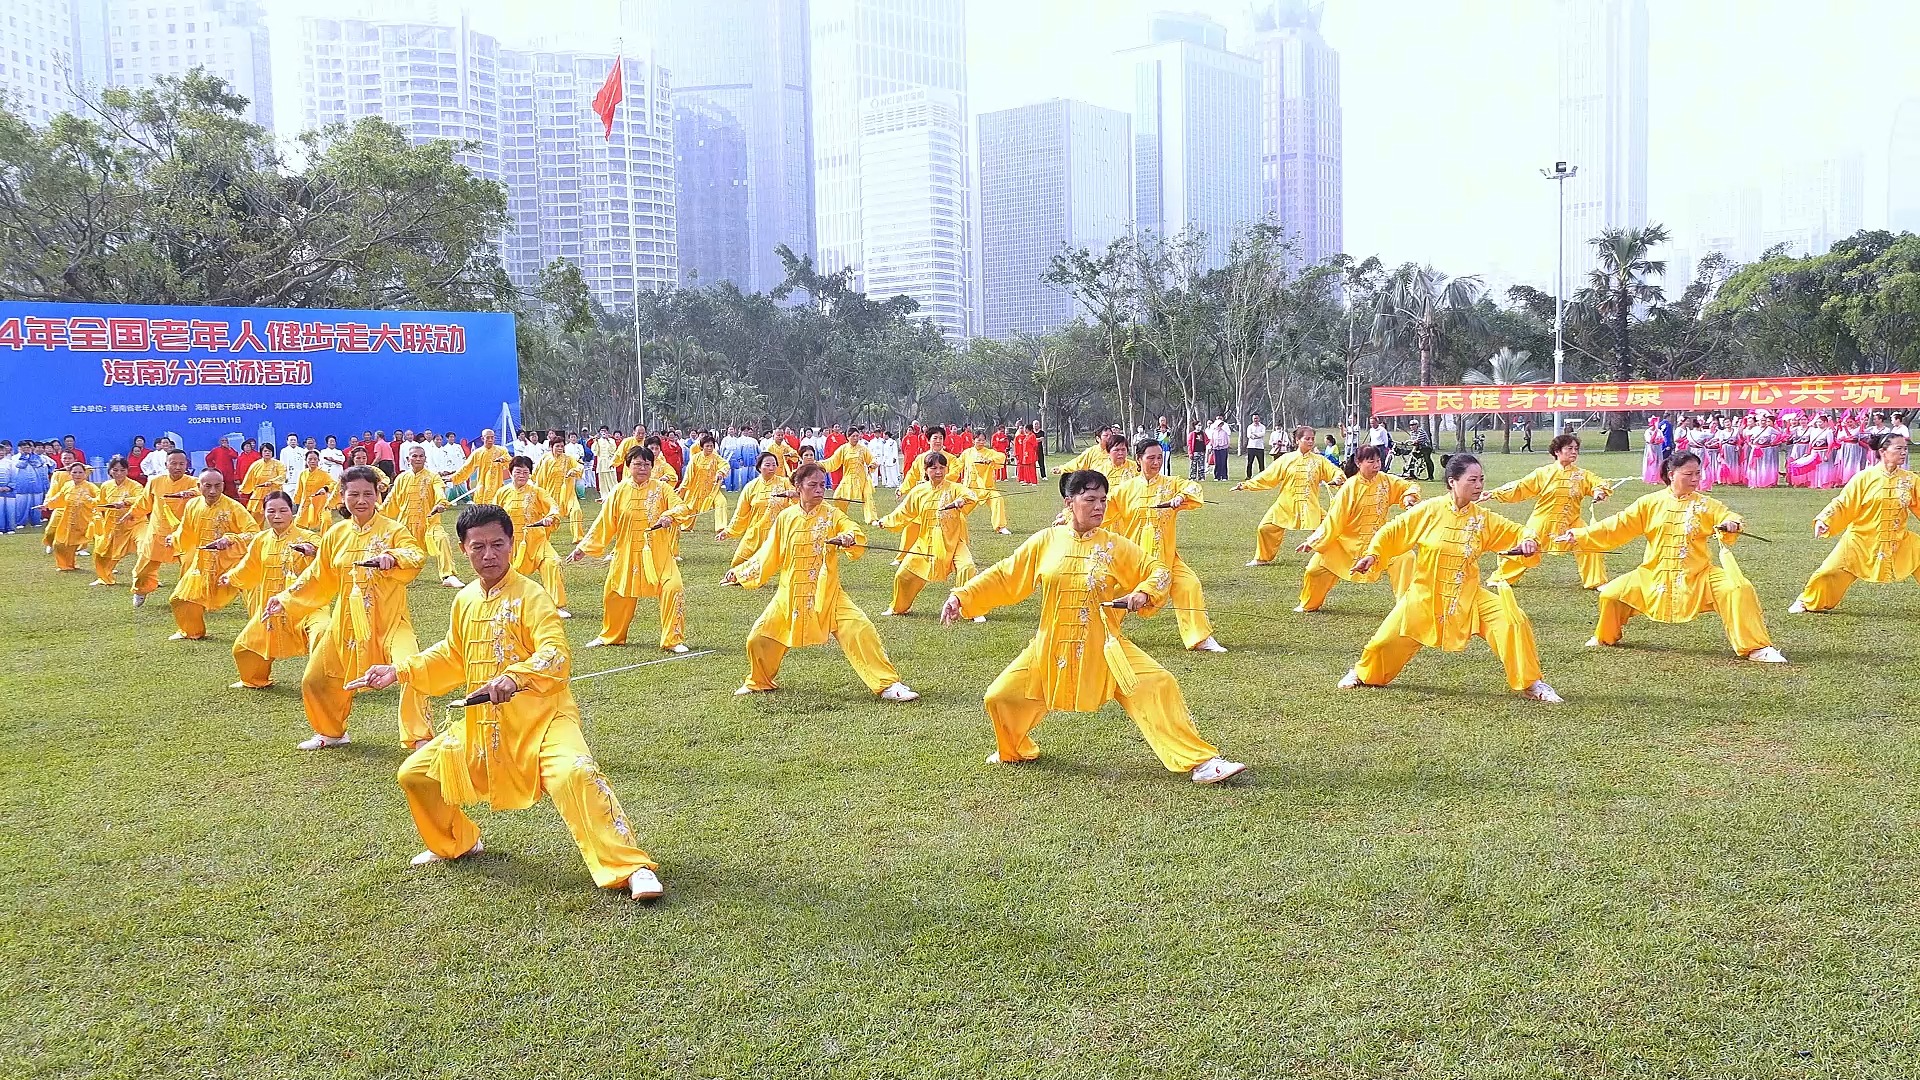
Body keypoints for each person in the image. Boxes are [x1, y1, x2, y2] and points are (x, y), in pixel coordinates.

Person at [345, 504, 664, 900]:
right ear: (463, 549)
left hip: (544, 719)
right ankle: (456, 842)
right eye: (478, 547)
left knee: (576, 772)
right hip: (482, 725)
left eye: (498, 544)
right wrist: (399, 671)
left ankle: (630, 867)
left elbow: (556, 653)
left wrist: (515, 676)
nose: (489, 555)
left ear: (512, 544)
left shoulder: (533, 595)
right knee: (415, 774)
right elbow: (453, 654)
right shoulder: (464, 599)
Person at [940, 469, 1247, 784]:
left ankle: (1202, 762)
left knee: (1157, 684)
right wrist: (961, 597)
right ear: (1069, 502)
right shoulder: (1047, 540)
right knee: (1000, 697)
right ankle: (1014, 750)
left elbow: (1156, 569)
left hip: (1105, 647)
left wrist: (1143, 592)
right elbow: (1005, 575)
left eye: (1103, 499)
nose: (1099, 506)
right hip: (1051, 646)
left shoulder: (1114, 545)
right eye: (1090, 499)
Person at [1339, 455, 1561, 701]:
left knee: (1512, 620)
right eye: (1473, 480)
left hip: (1468, 596)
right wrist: (1373, 555)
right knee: (1384, 642)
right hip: (1424, 596)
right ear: (1452, 481)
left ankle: (1532, 683)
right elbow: (1393, 531)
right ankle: (1362, 674)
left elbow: (1519, 532)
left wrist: (1529, 540)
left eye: (1482, 480)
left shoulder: (1482, 519)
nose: (1479, 485)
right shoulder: (1429, 510)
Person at [263, 465, 434, 750]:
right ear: (343, 496)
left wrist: (393, 557)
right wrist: (284, 598)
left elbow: (416, 554)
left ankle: (419, 737)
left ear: (378, 494)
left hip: (389, 620)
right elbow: (318, 575)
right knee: (315, 679)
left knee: (410, 667)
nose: (361, 500)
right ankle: (331, 732)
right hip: (345, 622)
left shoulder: (393, 530)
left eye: (367, 493)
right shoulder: (335, 534)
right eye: (353, 494)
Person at [721, 462, 920, 702]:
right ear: (798, 486)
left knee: (860, 628)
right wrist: (740, 573)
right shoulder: (786, 518)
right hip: (790, 593)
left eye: (822, 485)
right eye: (812, 485)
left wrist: (848, 537)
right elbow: (768, 554)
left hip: (828, 593)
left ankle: (889, 684)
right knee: (759, 637)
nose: (819, 490)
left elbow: (853, 530)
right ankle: (759, 681)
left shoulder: (831, 514)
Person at [1562, 451, 1785, 663]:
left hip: (1699, 575)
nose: (1695, 479)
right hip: (1653, 574)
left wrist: (1733, 523)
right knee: (1610, 594)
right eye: (1689, 474)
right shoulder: (1649, 503)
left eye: (1698, 473)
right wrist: (1579, 535)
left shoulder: (1705, 504)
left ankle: (1757, 648)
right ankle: (1605, 637)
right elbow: (1617, 525)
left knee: (1739, 589)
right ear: (1671, 474)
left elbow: (1729, 516)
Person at [1106, 439, 1225, 652]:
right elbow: (1097, 510)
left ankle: (1199, 638)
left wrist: (1181, 496)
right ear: (1138, 460)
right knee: (1112, 592)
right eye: (1150, 458)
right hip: (1134, 558)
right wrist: (1068, 517)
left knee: (1189, 584)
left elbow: (1193, 486)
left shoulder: (1171, 484)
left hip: (1166, 555)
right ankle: (1104, 635)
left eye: (1159, 457)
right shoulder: (1123, 491)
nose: (1156, 462)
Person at [570, 446, 692, 652]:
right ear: (628, 466)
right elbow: (604, 522)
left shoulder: (662, 489)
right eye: (637, 463)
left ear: (652, 467)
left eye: (646, 464)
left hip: (658, 554)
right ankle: (611, 636)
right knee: (615, 592)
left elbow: (683, 507)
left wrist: (669, 515)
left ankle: (673, 639)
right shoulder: (619, 490)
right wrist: (584, 547)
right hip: (626, 553)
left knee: (673, 588)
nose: (642, 468)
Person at [1790, 433, 1918, 614]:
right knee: (1828, 572)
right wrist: (1824, 519)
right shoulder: (1864, 477)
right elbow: (1843, 502)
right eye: (1899, 448)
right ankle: (1807, 601)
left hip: (1898, 539)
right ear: (1882, 451)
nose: (1904, 452)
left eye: (1905, 448)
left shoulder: (1910, 480)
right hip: (1860, 540)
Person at [1295, 444, 1420, 613]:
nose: (1376, 465)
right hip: (1347, 544)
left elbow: (1408, 486)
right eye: (1371, 461)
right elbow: (1334, 520)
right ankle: (1309, 604)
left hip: (1379, 542)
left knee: (1406, 557)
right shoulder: (1350, 487)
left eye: (1378, 461)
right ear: (1358, 462)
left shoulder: (1385, 480)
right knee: (1314, 570)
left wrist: (1408, 497)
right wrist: (1313, 541)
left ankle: (1406, 609)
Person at [1483, 434, 1615, 590]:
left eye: (1576, 449)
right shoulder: (1543, 473)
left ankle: (1597, 581)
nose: (1574, 452)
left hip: (1572, 521)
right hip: (1543, 520)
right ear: (1557, 451)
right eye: (1569, 448)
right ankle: (1501, 578)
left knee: (1588, 541)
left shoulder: (1582, 475)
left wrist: (1599, 491)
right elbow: (1520, 487)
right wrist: (1494, 493)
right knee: (1526, 546)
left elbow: (1598, 483)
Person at [223, 490, 321, 689]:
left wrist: (312, 551)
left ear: (291, 512)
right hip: (270, 606)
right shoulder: (261, 540)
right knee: (243, 648)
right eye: (271, 511)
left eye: (283, 510)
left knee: (323, 633)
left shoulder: (307, 536)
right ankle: (254, 679)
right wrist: (231, 576)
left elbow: (326, 555)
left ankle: (325, 682)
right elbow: (249, 566)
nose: (277, 516)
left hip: (306, 605)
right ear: (264, 513)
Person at [875, 451, 978, 616]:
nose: (938, 472)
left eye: (942, 467)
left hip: (953, 542)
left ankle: (969, 610)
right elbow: (903, 512)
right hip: (925, 542)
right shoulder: (918, 491)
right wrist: (885, 521)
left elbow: (972, 496)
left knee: (967, 567)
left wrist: (961, 501)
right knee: (903, 575)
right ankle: (898, 608)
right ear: (926, 470)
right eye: (933, 468)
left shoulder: (954, 488)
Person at [165, 468, 258, 641]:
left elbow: (253, 532)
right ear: (199, 486)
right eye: (208, 486)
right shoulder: (192, 505)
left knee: (257, 598)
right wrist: (174, 539)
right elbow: (185, 532)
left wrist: (231, 539)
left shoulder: (233, 507)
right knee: (180, 599)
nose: (213, 491)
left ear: (223, 485)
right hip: (203, 563)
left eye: (217, 486)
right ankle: (192, 631)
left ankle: (265, 633)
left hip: (233, 563)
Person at [1235, 425, 1345, 567]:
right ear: (1297, 440)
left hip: (1309, 503)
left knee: (1327, 528)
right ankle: (1262, 558)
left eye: (1312, 439)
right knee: (1265, 527)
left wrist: (1337, 479)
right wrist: (1245, 485)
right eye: (1307, 439)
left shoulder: (1319, 460)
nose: (1311, 442)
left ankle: (1334, 558)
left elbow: (1335, 471)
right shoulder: (1286, 459)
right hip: (1285, 503)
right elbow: (1268, 476)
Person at [491, 456, 569, 618]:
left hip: (537, 541)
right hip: (511, 544)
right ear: (510, 472)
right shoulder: (502, 493)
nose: (521, 475)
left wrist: (551, 517)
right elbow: (493, 515)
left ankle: (556, 606)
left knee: (552, 563)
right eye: (518, 471)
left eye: (525, 472)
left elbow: (553, 507)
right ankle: (504, 604)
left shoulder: (537, 492)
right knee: (506, 574)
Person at [120, 447, 198, 608]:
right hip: (158, 532)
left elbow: (204, 491)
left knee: (191, 565)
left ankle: (187, 596)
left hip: (184, 533)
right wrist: (132, 513)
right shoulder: (155, 482)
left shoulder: (193, 482)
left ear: (186, 465)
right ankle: (140, 590)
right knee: (143, 569)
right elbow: (144, 502)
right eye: (174, 463)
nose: (177, 467)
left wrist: (191, 493)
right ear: (166, 464)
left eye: (181, 464)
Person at [385, 444, 462, 588]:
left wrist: (441, 503)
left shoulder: (433, 477)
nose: (418, 459)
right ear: (408, 459)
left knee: (442, 538)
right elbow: (391, 501)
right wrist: (378, 513)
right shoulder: (401, 478)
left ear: (425, 458)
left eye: (421, 456)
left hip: (429, 524)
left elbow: (439, 491)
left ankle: (448, 575)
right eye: (414, 456)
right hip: (406, 526)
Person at [720, 451, 796, 569]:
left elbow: (796, 506)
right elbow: (740, 513)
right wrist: (728, 531)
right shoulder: (750, 487)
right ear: (759, 467)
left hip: (779, 531)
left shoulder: (785, 483)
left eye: (774, 464)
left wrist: (794, 495)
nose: (771, 468)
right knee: (737, 563)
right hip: (756, 531)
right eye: (767, 465)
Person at [86, 457, 144, 585]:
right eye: (115, 470)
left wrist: (125, 502)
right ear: (110, 471)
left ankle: (147, 578)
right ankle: (104, 578)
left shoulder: (135, 485)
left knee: (145, 547)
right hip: (112, 525)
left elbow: (141, 499)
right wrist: (90, 504)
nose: (118, 473)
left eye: (122, 470)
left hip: (134, 524)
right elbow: (101, 503)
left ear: (127, 471)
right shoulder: (106, 486)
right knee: (102, 553)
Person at [39, 461, 98, 572]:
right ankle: (66, 565)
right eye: (74, 472)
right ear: (70, 474)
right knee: (60, 543)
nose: (77, 475)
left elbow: (101, 498)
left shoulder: (91, 487)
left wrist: (91, 501)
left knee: (101, 543)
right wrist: (46, 505)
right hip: (68, 519)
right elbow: (58, 498)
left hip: (86, 519)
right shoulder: (67, 485)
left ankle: (107, 566)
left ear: (85, 474)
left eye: (80, 472)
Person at [533, 433, 585, 543]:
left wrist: (574, 471)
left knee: (576, 511)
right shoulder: (546, 459)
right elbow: (537, 474)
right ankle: (543, 540)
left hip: (568, 494)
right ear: (551, 447)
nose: (560, 448)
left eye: (562, 446)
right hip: (550, 494)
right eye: (557, 446)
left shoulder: (568, 458)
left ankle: (578, 538)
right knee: (548, 517)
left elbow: (579, 466)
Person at [677, 432, 731, 532]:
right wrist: (683, 487)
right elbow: (689, 475)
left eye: (711, 446)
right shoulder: (695, 458)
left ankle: (721, 527)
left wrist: (720, 472)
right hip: (696, 489)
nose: (710, 448)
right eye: (707, 446)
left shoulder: (716, 457)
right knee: (690, 507)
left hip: (712, 490)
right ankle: (686, 526)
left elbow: (725, 465)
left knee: (721, 502)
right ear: (702, 447)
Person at [959, 436, 1012, 534]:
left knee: (998, 499)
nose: (981, 442)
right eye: (978, 440)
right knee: (958, 507)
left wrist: (991, 459)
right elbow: (957, 466)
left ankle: (1000, 527)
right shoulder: (967, 453)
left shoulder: (989, 452)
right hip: (970, 489)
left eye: (983, 440)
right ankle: (952, 524)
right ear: (973, 440)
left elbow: (1001, 456)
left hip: (987, 488)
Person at [821, 431, 878, 522]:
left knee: (867, 496)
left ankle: (872, 519)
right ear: (848, 437)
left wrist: (872, 464)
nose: (855, 438)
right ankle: (839, 517)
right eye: (853, 436)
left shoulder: (863, 449)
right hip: (848, 477)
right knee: (838, 497)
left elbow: (872, 459)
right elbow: (833, 461)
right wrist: (820, 464)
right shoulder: (843, 449)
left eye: (857, 436)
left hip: (862, 478)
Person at [447, 428, 511, 501]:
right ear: (482, 438)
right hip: (483, 486)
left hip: (497, 485)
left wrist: (504, 459)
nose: (490, 440)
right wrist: (453, 478)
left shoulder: (501, 450)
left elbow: (510, 462)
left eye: (492, 437)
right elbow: (466, 468)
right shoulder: (477, 453)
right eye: (487, 437)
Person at [238, 445, 287, 521]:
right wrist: (242, 488)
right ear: (261, 452)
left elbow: (282, 477)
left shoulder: (279, 464)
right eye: (265, 451)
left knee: (275, 515)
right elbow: (249, 478)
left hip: (274, 493)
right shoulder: (255, 465)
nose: (267, 453)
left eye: (269, 451)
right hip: (259, 493)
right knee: (256, 517)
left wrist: (272, 481)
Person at [291, 449, 334, 531]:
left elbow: (332, 483)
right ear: (306, 461)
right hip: (306, 504)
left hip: (320, 504)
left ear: (318, 461)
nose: (312, 461)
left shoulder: (324, 474)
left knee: (325, 521)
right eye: (310, 459)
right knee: (298, 525)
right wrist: (296, 501)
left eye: (315, 459)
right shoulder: (302, 474)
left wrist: (325, 488)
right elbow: (299, 488)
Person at [1206, 415, 1232, 481]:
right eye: (1219, 425)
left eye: (1221, 425)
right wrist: (1212, 446)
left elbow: (1227, 440)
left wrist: (1226, 446)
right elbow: (1212, 440)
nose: (1220, 426)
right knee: (1217, 462)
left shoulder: (1224, 432)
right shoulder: (1213, 432)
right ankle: (1217, 476)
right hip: (1216, 448)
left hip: (1223, 448)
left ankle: (1224, 476)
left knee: (1223, 462)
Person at [1243, 414, 1268, 478]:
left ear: (1259, 418)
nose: (1255, 420)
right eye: (1254, 418)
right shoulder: (1250, 427)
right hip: (1251, 447)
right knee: (1250, 462)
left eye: (1257, 418)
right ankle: (1248, 476)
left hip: (1260, 447)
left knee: (1261, 462)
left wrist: (1255, 434)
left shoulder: (1262, 426)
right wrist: (1257, 436)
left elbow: (1262, 434)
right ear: (1252, 419)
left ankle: (1262, 476)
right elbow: (1249, 435)